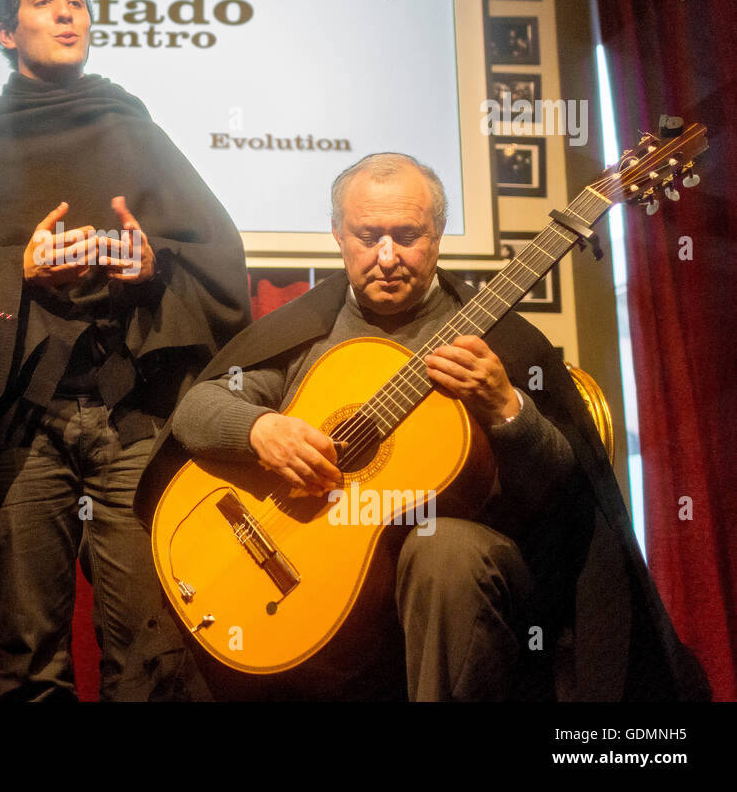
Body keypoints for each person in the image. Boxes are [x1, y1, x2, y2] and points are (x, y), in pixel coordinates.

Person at [130, 152, 708, 701]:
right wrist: (259, 431)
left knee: (443, 550)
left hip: (460, 580)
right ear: (338, 236)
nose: (386, 256)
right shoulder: (307, 331)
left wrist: (506, 409)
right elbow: (198, 408)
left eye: (407, 236)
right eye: (367, 236)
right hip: (321, 580)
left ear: (437, 236)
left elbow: (562, 490)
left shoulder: (502, 342)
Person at [0, 0, 251, 701]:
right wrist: (13, 271)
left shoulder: (133, 130)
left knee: (150, 654)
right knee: (31, 659)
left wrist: (150, 267)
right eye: (44, 0)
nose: (67, 11)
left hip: (129, 419)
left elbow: (216, 259)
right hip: (20, 426)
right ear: (5, 31)